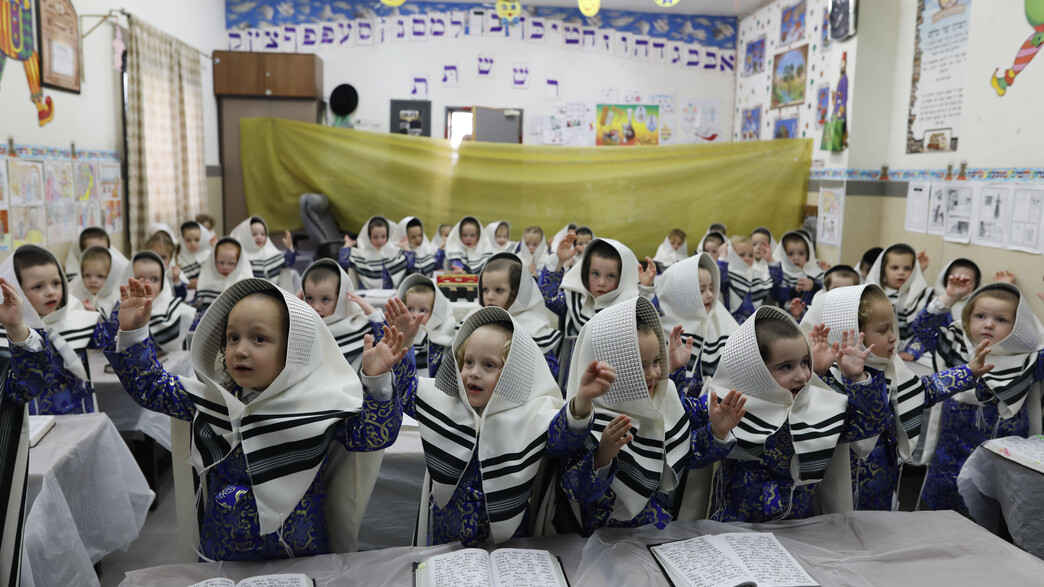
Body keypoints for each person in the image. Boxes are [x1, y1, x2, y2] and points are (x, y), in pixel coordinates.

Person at [103, 277, 404, 560]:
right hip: (223, 551)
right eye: (233, 338)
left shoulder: (319, 408)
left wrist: (376, 382)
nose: (240, 350)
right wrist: (133, 334)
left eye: (259, 339)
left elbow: (374, 436)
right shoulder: (212, 400)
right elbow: (151, 386)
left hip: (300, 555)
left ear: (293, 349)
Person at [389, 305, 603, 546]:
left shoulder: (530, 414)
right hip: (446, 537)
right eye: (468, 362)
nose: (473, 373)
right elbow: (406, 391)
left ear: (513, 372)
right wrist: (404, 344)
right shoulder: (447, 401)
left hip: (506, 542)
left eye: (488, 365)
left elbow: (562, 440)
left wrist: (582, 402)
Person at [556, 297, 745, 535]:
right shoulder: (589, 420)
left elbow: (684, 455)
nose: (654, 373)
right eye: (639, 365)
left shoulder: (663, 401)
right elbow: (575, 491)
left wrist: (717, 432)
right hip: (602, 541)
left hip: (653, 534)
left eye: (657, 361)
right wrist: (602, 455)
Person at [800, 284, 993, 510]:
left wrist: (968, 371)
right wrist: (834, 376)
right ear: (848, 331)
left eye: (892, 329)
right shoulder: (826, 378)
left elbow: (924, 391)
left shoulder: (891, 369)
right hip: (843, 485)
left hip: (883, 480)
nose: (893, 338)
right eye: (883, 331)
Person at [705, 306, 889, 522]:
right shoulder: (728, 405)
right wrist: (717, 432)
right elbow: (692, 452)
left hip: (800, 528)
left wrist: (857, 379)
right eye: (786, 367)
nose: (802, 376)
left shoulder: (818, 405)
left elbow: (871, 423)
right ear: (756, 370)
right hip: (736, 529)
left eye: (804, 362)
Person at [911, 281, 1044, 513]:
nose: (989, 324)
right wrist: (949, 297)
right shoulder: (955, 345)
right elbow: (923, 327)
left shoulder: (1029, 359)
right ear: (967, 318)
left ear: (1018, 325)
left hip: (1001, 456)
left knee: (993, 509)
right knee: (944, 507)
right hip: (951, 452)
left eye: (1001, 320)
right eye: (980, 316)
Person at [0, 245, 118, 414]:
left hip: (79, 417)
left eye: (56, 283)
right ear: (16, 291)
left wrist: (119, 314)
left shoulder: (76, 317)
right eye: (38, 287)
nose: (50, 292)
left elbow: (109, 341)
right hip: (35, 427)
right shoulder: (10, 332)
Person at [539, 236, 656, 338]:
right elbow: (548, 296)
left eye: (610, 276)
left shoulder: (628, 308)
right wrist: (559, 261)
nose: (601, 283)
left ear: (621, 278)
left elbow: (652, 323)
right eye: (595, 274)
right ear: (585, 273)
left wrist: (645, 289)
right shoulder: (573, 300)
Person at [656, 253, 739, 396]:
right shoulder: (660, 330)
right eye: (701, 290)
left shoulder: (721, 319)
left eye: (711, 288)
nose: (710, 295)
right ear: (680, 295)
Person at [300, 258, 385, 371]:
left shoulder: (361, 325)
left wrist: (372, 313)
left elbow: (385, 341)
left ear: (341, 299)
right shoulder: (304, 328)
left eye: (325, 299)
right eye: (309, 298)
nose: (316, 307)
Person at [107, 251, 197, 352]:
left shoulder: (176, 309)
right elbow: (112, 343)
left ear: (163, 282)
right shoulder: (121, 310)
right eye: (139, 279)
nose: (147, 283)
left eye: (154, 279)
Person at [864, 244, 931, 359]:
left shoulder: (919, 296)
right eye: (894, 268)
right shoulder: (872, 294)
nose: (901, 272)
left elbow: (925, 328)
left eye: (907, 268)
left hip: (909, 357)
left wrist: (913, 351)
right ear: (883, 270)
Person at [393, 274, 456, 376]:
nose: (414, 315)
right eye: (410, 309)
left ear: (435, 311)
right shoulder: (399, 333)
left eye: (423, 310)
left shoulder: (444, 333)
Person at [717, 235, 780, 324]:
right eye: (742, 255)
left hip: (756, 323)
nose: (747, 258)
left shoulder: (757, 272)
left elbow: (776, 282)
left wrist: (770, 259)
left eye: (751, 255)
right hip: (732, 323)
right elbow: (718, 280)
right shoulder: (728, 273)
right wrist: (723, 256)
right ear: (731, 254)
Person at [339, 216, 408, 290]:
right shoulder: (362, 253)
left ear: (387, 235)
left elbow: (410, 263)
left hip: (389, 294)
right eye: (375, 237)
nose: (380, 241)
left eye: (383, 236)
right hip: (367, 295)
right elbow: (343, 261)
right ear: (369, 236)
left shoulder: (393, 251)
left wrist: (406, 247)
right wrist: (347, 245)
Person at [230, 216, 298, 290]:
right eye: (254, 234)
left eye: (262, 234)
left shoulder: (271, 252)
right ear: (246, 236)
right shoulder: (241, 256)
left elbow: (287, 263)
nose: (259, 237)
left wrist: (290, 248)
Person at [193, 237, 254, 317]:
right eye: (221, 263)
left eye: (231, 263)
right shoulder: (205, 282)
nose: (225, 267)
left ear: (238, 263)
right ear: (214, 261)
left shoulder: (244, 283)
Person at [69, 245, 127, 314]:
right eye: (87, 275)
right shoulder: (75, 293)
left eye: (100, 276)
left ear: (111, 278)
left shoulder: (116, 299)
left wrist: (95, 312)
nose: (92, 280)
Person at [178, 220, 212, 290]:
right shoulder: (179, 258)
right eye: (188, 240)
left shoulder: (209, 254)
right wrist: (188, 284)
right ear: (182, 239)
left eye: (196, 240)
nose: (192, 243)